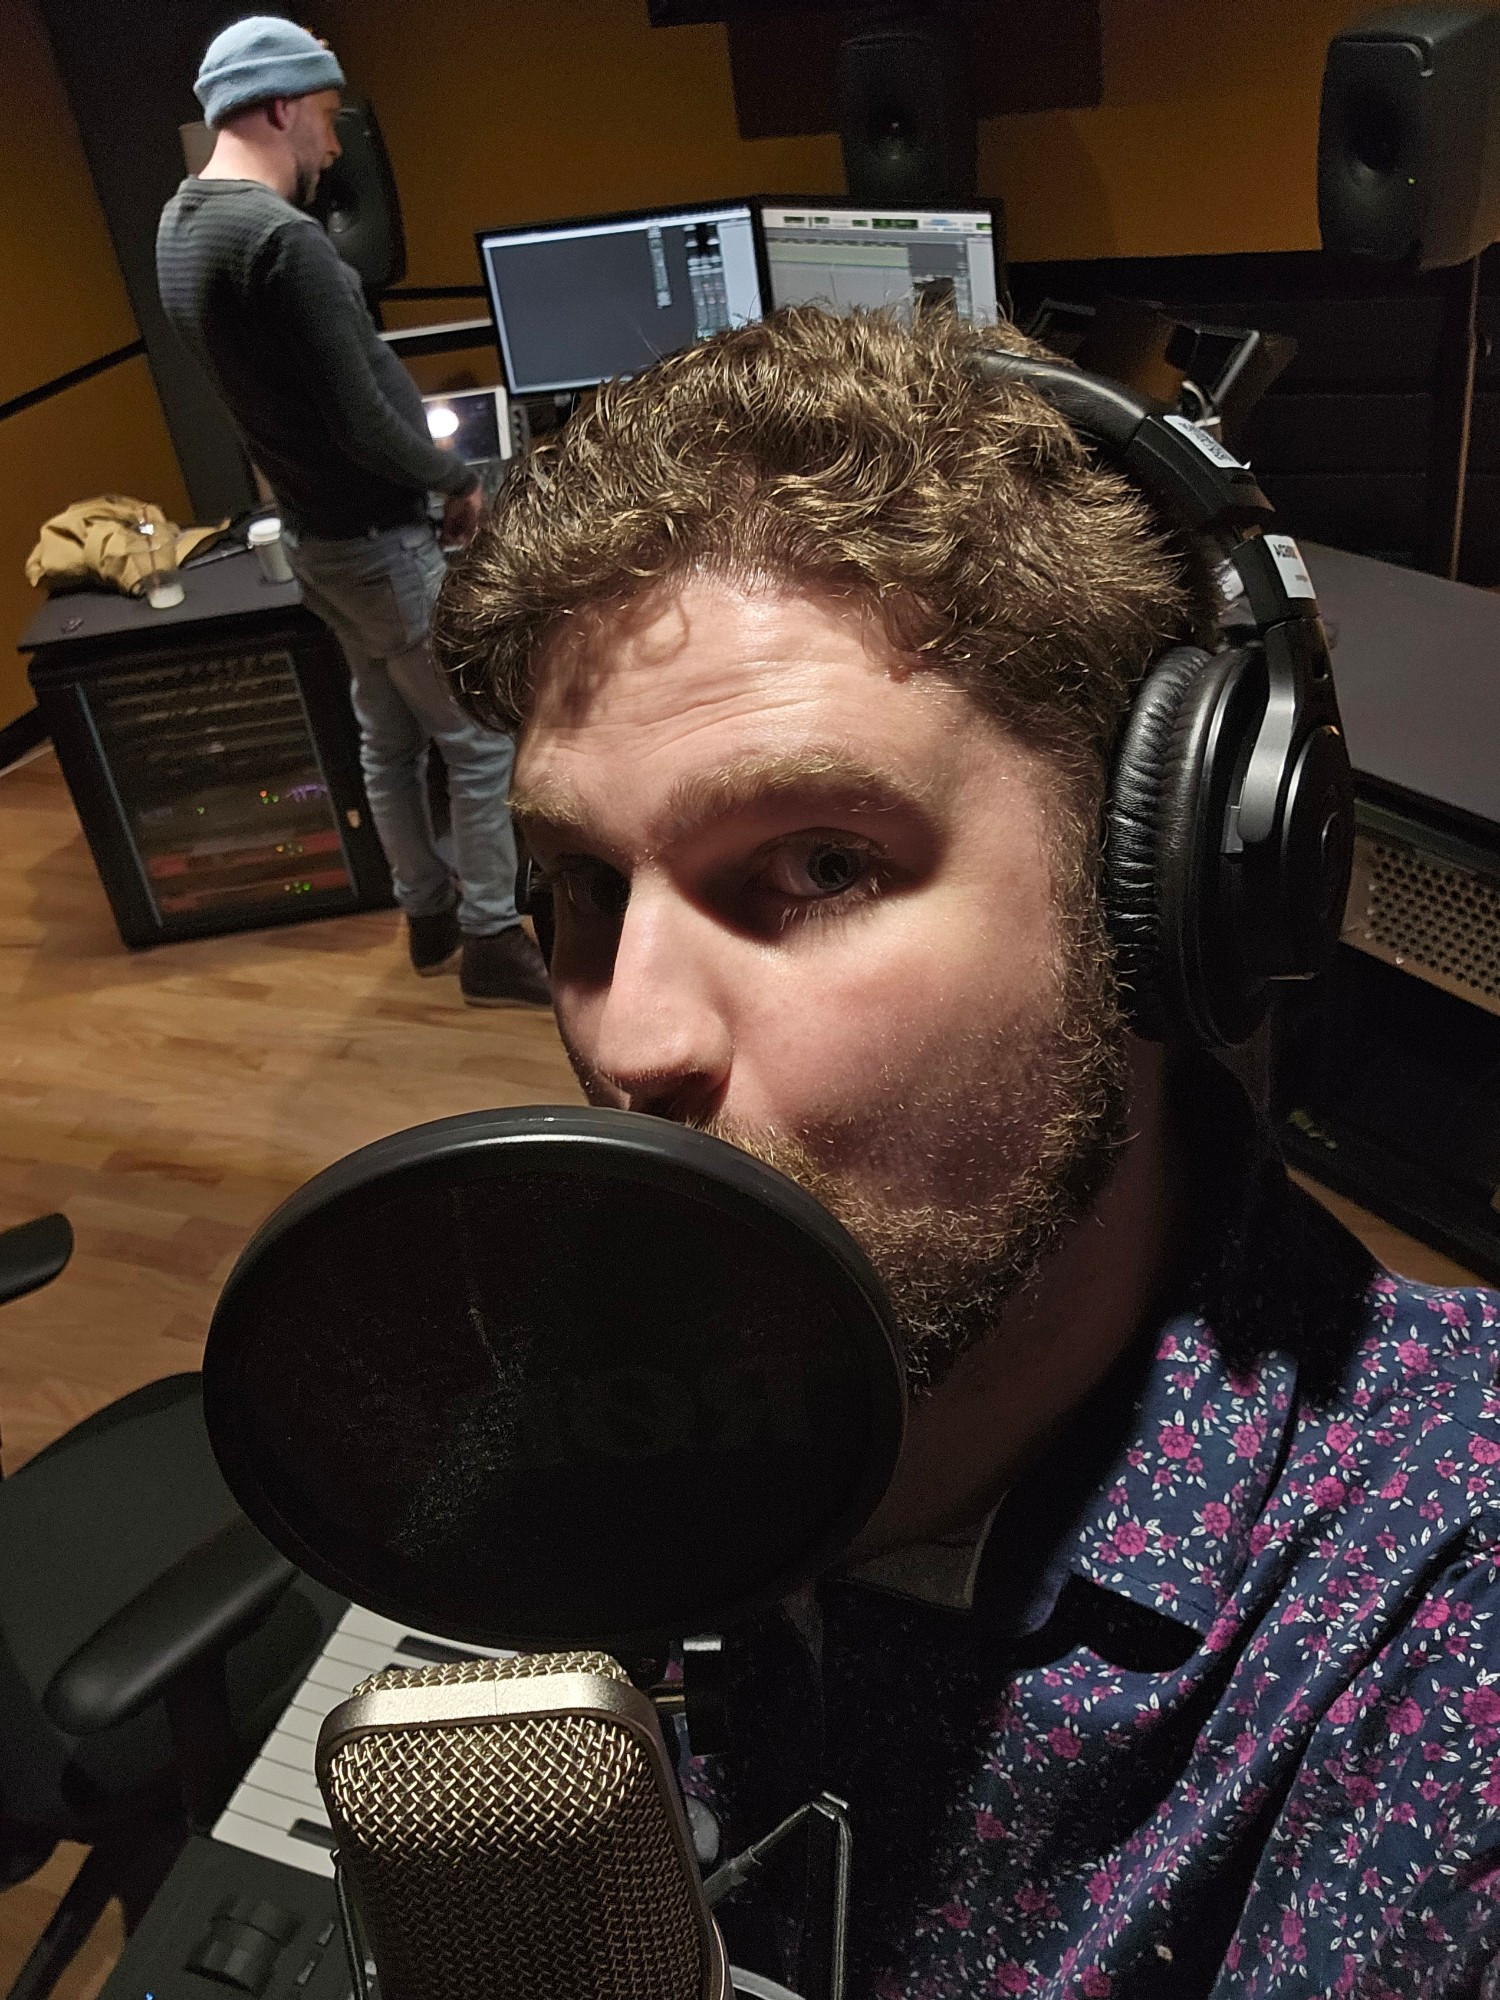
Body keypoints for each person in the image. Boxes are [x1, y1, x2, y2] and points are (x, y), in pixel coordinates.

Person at [438, 307, 1500, 1995]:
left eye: (818, 866)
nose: (626, 1037)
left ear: (1166, 901)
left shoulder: (1443, 1643)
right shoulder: (610, 1350)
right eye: (582, 888)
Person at [156, 17, 549, 1006]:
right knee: (478, 741)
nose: (335, 147)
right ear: (283, 108)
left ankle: (423, 912)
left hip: (313, 539)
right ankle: (495, 937)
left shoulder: (179, 225)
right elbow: (367, 418)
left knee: (386, 737)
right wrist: (457, 482)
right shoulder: (286, 244)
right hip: (383, 544)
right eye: (328, 120)